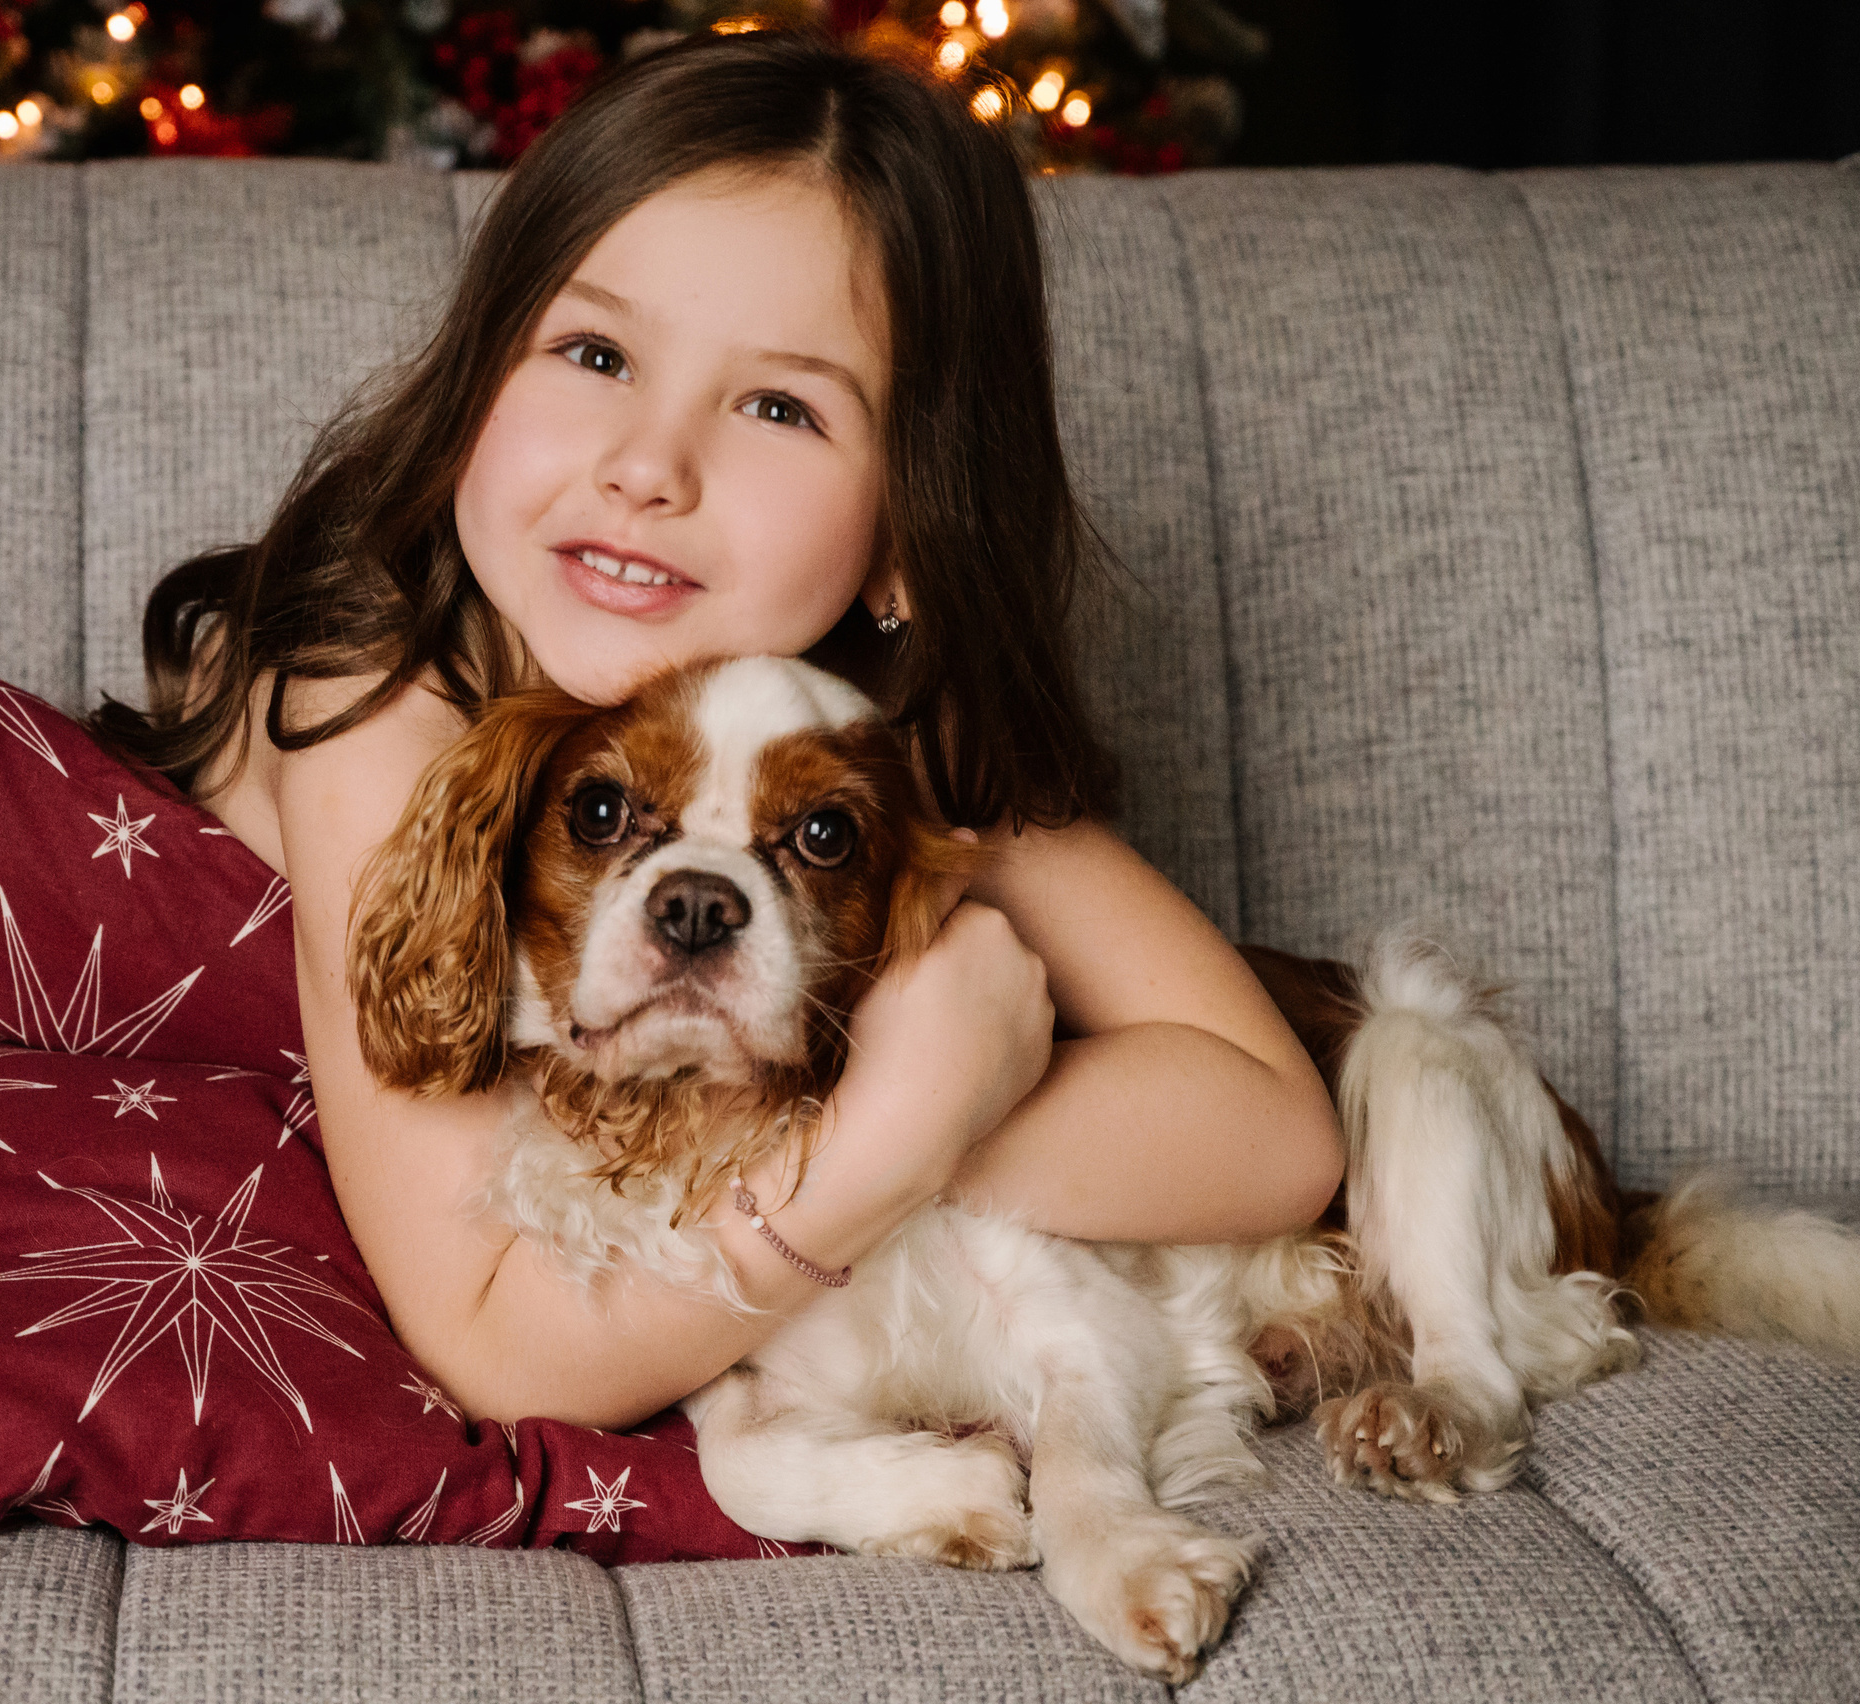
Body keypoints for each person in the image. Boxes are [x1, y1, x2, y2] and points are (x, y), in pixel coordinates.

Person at [88, 28, 1344, 1433]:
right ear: (474, 381)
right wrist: (892, 1130)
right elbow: (505, 1350)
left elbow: (1276, 1131)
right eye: (595, 351)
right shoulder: (368, 700)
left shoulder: (861, 745)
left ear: (909, 538)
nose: (649, 466)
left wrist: (915, 1108)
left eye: (779, 406)